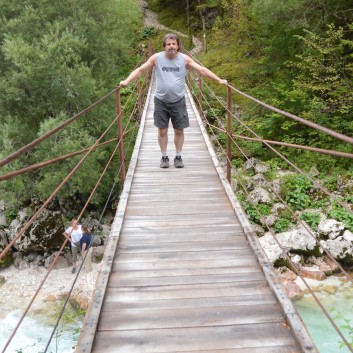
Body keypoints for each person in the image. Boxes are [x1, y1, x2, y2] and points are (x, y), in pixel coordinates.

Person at [119, 33, 227, 168]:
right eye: (168, 44)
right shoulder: (157, 58)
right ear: (164, 46)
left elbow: (201, 70)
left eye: (173, 44)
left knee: (179, 130)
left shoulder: (184, 59)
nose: (171, 46)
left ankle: (178, 156)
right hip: (161, 101)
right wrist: (127, 81)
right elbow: (141, 70)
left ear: (178, 46)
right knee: (162, 130)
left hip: (178, 100)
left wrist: (218, 80)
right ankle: (164, 157)